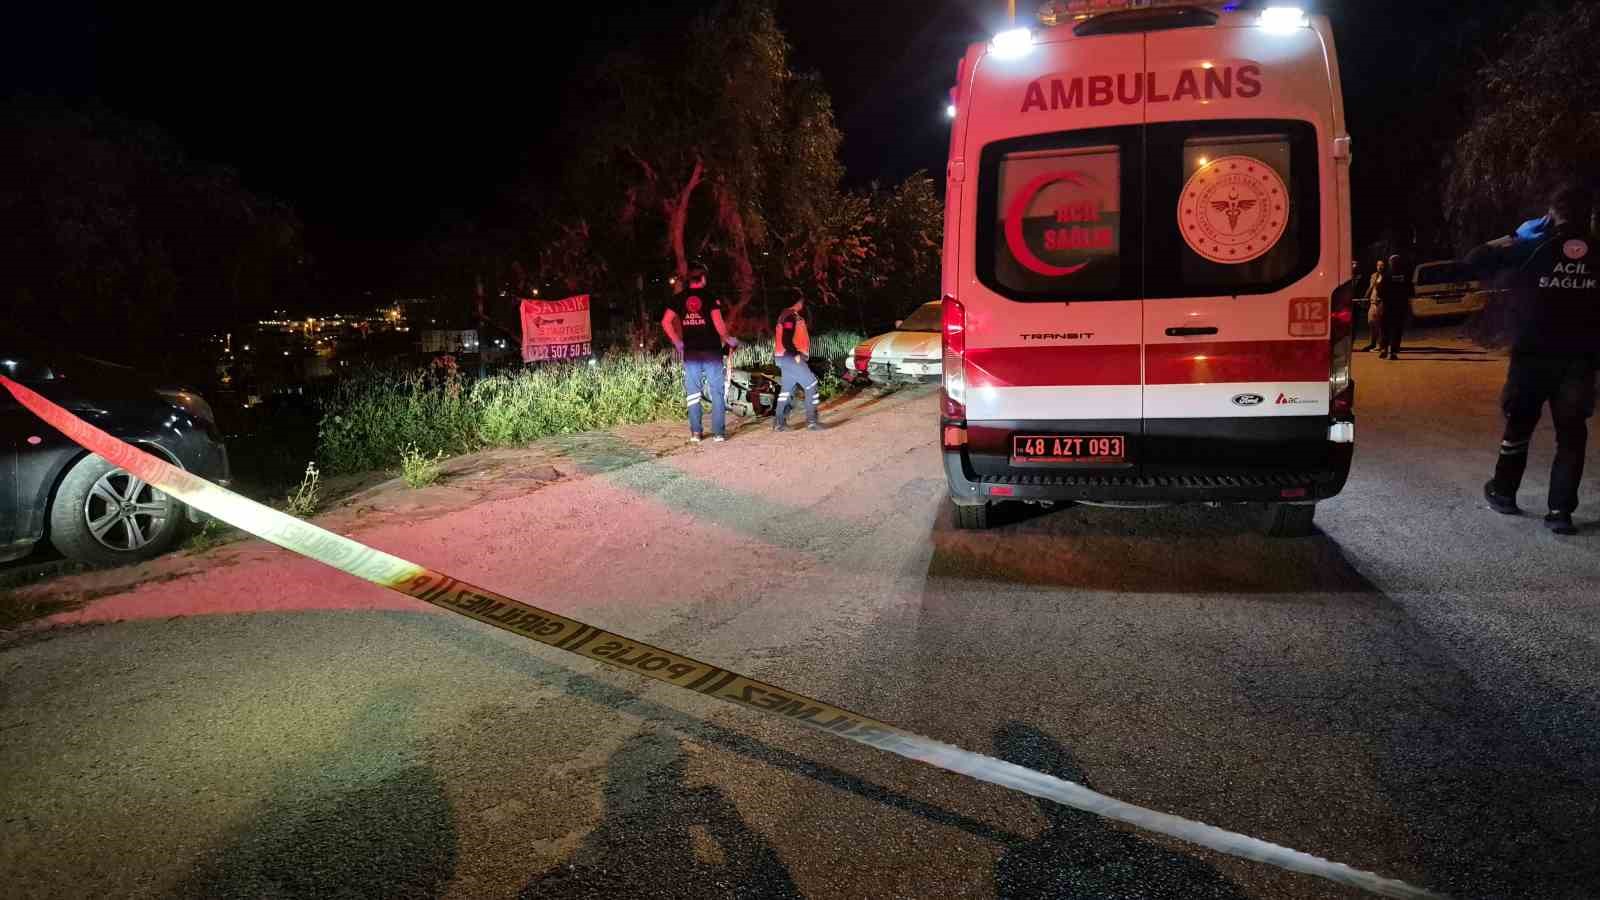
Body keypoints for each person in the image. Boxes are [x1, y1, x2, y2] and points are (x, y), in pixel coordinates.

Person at [1467, 181, 1600, 535]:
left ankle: (1504, 492)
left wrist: (1514, 237)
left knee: (1519, 427)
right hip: (1580, 361)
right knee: (1571, 436)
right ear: (1588, 215)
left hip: (1531, 358)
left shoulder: (1532, 246)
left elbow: (1474, 260)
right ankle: (1559, 513)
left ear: (1550, 215)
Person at [661, 260, 738, 443]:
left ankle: (696, 433)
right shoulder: (710, 297)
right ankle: (718, 433)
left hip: (691, 354)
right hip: (711, 352)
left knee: (693, 392)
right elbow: (719, 325)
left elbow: (665, 322)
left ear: (689, 280)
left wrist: (678, 342)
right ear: (703, 278)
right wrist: (729, 339)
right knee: (717, 392)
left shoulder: (679, 299)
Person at [772, 293, 823, 431]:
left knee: (786, 391)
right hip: (791, 357)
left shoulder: (785, 315)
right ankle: (812, 421)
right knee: (811, 384)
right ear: (796, 302)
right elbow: (786, 339)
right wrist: (795, 355)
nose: (802, 304)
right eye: (801, 302)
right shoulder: (790, 316)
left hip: (784, 358)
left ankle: (779, 423)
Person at [1375, 253, 1413, 359]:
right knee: (1397, 329)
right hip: (1400, 306)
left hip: (1387, 305)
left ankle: (1384, 349)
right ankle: (1393, 352)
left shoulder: (1386, 275)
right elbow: (1410, 290)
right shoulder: (1405, 275)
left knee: (1385, 328)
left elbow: (1380, 290)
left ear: (1390, 263)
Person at [1358, 257, 1385, 352]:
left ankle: (1380, 344)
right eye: (1378, 265)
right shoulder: (1374, 275)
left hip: (1381, 303)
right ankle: (1372, 343)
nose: (1379, 267)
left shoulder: (1386, 276)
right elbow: (1370, 287)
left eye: (1381, 265)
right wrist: (1365, 297)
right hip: (1372, 302)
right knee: (1371, 323)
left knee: (1379, 324)